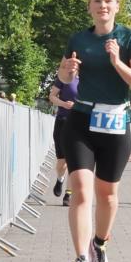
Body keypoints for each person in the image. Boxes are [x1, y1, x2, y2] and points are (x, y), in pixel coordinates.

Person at [58, 0, 131, 262]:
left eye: (108, 0)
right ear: (89, 7)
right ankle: (81, 259)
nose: (102, 5)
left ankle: (99, 244)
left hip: (115, 123)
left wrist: (116, 61)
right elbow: (63, 74)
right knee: (81, 190)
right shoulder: (78, 38)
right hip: (81, 120)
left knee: (107, 195)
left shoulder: (128, 38)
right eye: (97, 0)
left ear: (117, 6)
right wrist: (67, 71)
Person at [48, 75, 79, 206]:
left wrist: (77, 105)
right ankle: (60, 179)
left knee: (73, 162)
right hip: (62, 121)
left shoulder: (89, 78)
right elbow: (52, 97)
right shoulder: (63, 77)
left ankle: (68, 194)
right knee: (62, 163)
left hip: (79, 123)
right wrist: (64, 104)